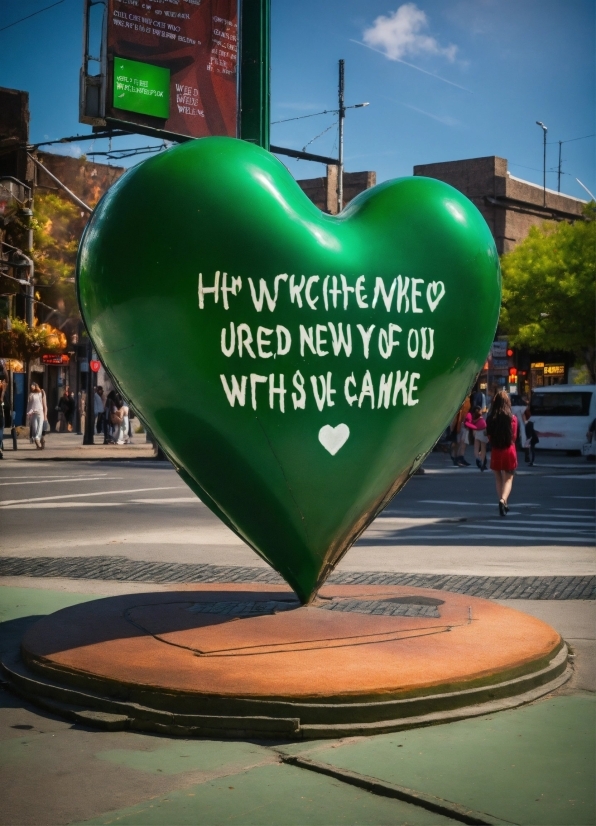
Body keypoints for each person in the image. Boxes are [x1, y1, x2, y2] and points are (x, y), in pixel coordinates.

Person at [486, 389, 518, 516]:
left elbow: (489, 436)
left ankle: (502, 502)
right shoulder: (512, 419)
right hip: (509, 450)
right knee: (509, 479)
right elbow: (514, 437)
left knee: (498, 478)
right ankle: (503, 500)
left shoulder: (490, 418)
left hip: (496, 451)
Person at [465, 406, 488, 471]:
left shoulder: (473, 418)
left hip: (476, 432)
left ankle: (478, 459)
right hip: (482, 432)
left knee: (476, 447)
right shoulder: (481, 418)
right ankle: (482, 462)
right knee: (483, 448)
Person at [449, 398, 471, 467]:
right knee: (459, 442)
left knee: (460, 442)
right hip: (459, 422)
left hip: (460, 422)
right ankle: (457, 457)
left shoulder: (465, 399)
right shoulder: (464, 399)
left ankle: (457, 457)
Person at [26, 382, 47, 449]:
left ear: (36, 386)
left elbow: (44, 405)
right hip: (33, 413)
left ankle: (38, 439)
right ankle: (38, 441)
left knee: (40, 427)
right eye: (31, 388)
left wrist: (45, 415)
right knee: (35, 428)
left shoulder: (41, 393)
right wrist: (28, 413)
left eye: (33, 387)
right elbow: (29, 405)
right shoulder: (31, 395)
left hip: (40, 412)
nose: (32, 388)